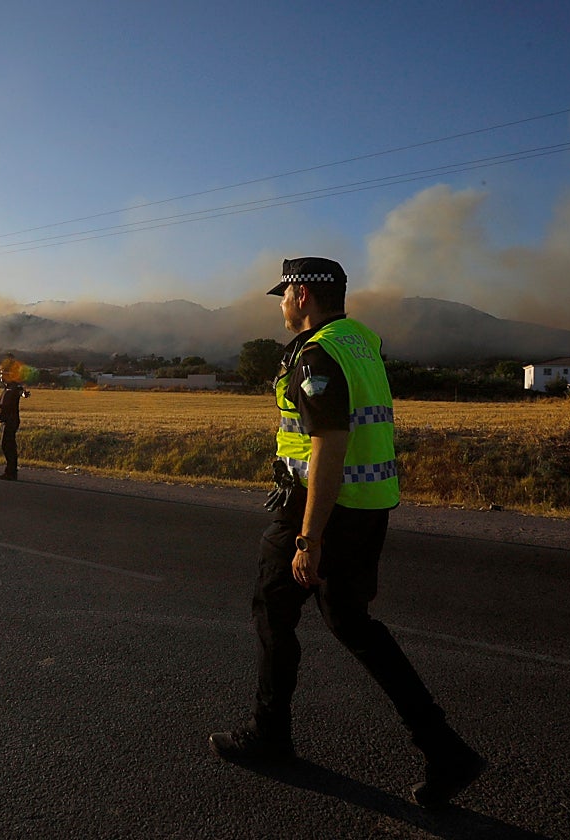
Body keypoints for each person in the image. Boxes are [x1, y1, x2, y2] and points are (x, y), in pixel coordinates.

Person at [209, 256, 485, 809]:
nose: (281, 305)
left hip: (315, 511)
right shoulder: (362, 340)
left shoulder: (317, 353)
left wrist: (309, 538)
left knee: (272, 611)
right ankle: (444, 748)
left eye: (283, 295)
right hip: (369, 506)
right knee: (353, 624)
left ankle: (271, 736)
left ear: (303, 295)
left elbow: (328, 444)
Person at [0, 357, 29, 480]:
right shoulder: (6, 388)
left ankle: (11, 472)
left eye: (2, 375)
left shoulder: (14, 387)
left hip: (11, 421)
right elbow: (1, 401)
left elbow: (21, 392)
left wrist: (24, 394)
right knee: (7, 445)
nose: (0, 377)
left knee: (7, 445)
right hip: (6, 421)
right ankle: (11, 471)